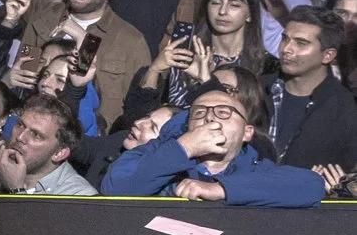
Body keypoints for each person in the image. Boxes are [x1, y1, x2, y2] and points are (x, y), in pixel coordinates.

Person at [103, 77, 328, 206]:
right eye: (199, 113)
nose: (209, 117)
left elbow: (312, 185)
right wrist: (185, 148)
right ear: (188, 126)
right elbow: (115, 188)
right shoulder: (158, 151)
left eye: (223, 112)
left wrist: (221, 189)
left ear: (247, 132)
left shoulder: (255, 168)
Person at [265, 11, 357, 178]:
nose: (286, 49)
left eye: (301, 43)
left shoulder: (346, 110)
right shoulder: (257, 90)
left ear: (328, 55)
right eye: (285, 38)